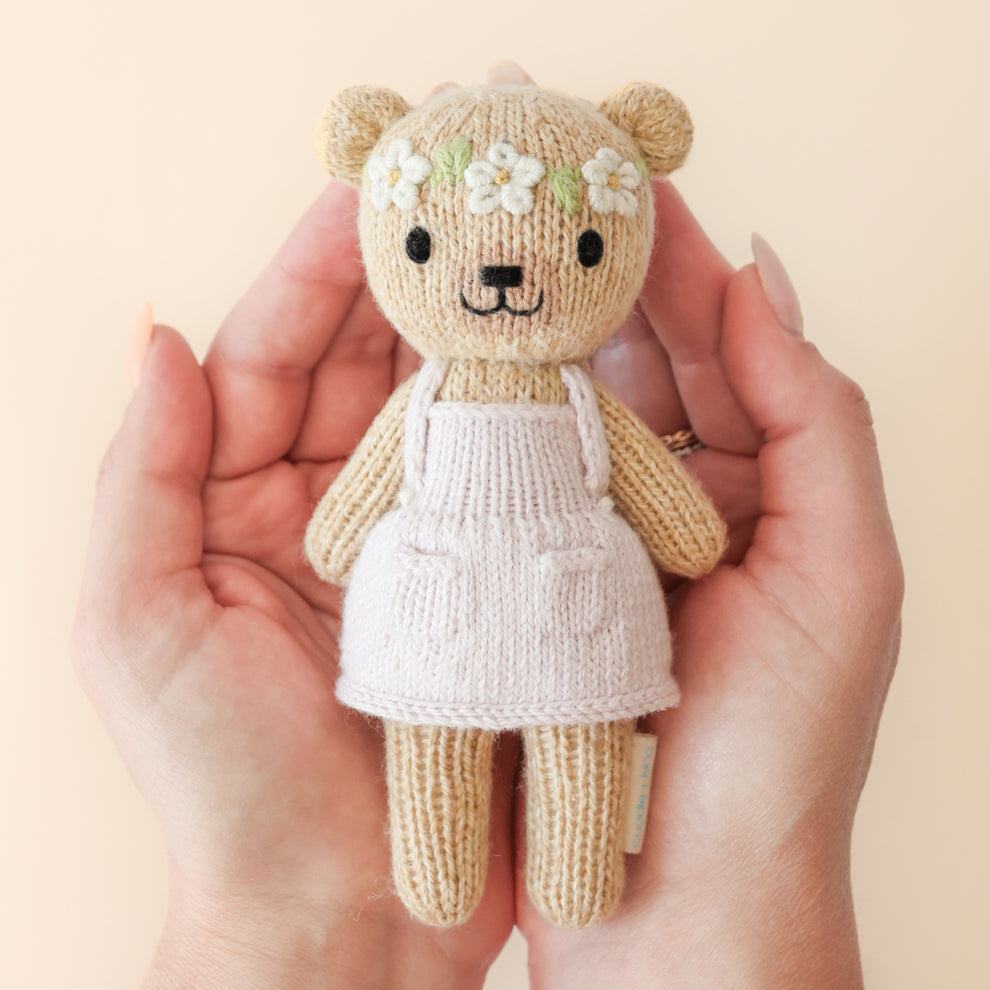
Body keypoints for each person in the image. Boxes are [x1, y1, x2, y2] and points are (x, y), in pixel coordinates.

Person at [72, 64, 903, 989]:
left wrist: (687, 537)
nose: (504, 277)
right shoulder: (425, 404)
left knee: (583, 732)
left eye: (580, 248)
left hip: (575, 613)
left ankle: (577, 878)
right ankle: (447, 875)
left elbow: (669, 513)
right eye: (425, 242)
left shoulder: (577, 403)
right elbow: (352, 510)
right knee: (434, 734)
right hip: (440, 609)